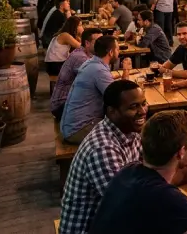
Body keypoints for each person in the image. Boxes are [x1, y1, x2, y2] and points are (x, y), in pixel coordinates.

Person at [59, 80, 150, 233]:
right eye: (133, 107)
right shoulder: (103, 148)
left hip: (108, 221)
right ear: (112, 111)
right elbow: (128, 203)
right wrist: (176, 177)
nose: (142, 111)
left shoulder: (129, 131)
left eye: (144, 103)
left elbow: (149, 166)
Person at [60, 36, 128, 144]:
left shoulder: (91, 63)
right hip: (79, 129)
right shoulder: (99, 70)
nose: (118, 52)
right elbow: (120, 99)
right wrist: (126, 71)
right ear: (110, 52)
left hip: (70, 126)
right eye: (117, 49)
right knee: (127, 130)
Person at [51, 27, 103, 120]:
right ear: (87, 43)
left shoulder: (83, 53)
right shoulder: (81, 58)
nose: (102, 45)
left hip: (68, 102)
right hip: (62, 106)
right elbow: (97, 83)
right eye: (98, 42)